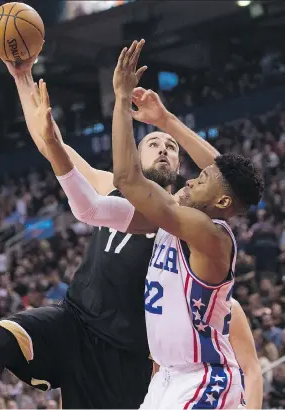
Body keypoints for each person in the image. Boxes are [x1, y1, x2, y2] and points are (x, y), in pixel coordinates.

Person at [0, 45, 261, 410]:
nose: (164, 149)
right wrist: (22, 76)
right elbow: (50, 143)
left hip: (130, 359)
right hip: (74, 322)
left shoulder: (189, 215)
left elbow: (229, 181)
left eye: (172, 147)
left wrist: (166, 123)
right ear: (134, 154)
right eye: (153, 143)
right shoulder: (116, 188)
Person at [108, 39, 264, 408]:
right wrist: (164, 120)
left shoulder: (205, 231)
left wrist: (119, 100)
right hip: (168, 379)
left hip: (203, 378)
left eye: (202, 179)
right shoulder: (196, 208)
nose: (192, 178)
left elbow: (127, 180)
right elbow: (222, 170)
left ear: (222, 201)